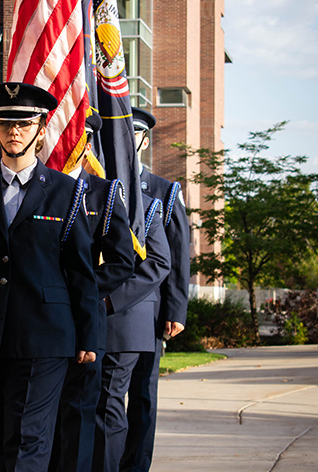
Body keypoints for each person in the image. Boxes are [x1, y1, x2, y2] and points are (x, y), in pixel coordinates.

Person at [0, 82, 100, 472]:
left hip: (43, 336)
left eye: (24, 124)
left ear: (41, 129)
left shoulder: (66, 192)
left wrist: (90, 334)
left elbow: (81, 270)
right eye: (4, 123)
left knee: (27, 443)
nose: (13, 132)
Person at [50, 111, 134, 472]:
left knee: (80, 416)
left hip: (83, 321)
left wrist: (78, 290)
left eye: (76, 135)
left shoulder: (103, 192)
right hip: (39, 321)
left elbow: (121, 260)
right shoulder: (39, 188)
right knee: (40, 418)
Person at [117, 107, 191, 472]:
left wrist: (176, 311)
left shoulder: (164, 190)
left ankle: (136, 465)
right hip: (109, 311)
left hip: (151, 311)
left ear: (144, 140)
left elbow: (177, 255)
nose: (127, 141)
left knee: (143, 396)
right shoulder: (103, 186)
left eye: (134, 135)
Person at [93, 193, 171, 471]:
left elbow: (160, 262)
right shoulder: (69, 193)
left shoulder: (145, 204)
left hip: (122, 318)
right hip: (69, 317)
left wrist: (108, 300)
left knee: (107, 404)